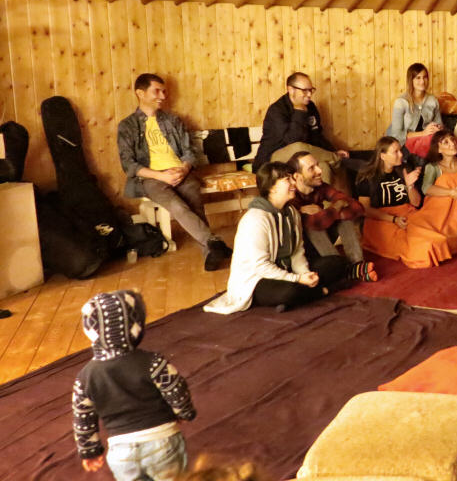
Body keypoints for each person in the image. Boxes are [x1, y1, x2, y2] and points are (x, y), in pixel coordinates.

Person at [204, 162, 374, 315]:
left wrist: (305, 274)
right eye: (287, 180)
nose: (294, 183)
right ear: (272, 188)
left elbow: (297, 251)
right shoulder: (255, 220)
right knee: (289, 291)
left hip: (288, 271)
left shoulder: (292, 212)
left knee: (337, 262)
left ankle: (303, 295)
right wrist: (297, 279)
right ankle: (323, 291)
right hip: (258, 280)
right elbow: (261, 266)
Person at [72, 289, 196, 481]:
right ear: (136, 327)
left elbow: (82, 417)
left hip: (121, 453)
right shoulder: (153, 362)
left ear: (90, 330)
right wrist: (184, 412)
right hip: (162, 441)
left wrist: (89, 451)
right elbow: (176, 388)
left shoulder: (84, 377)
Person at [117, 73, 232, 271]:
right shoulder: (127, 126)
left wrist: (184, 169)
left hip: (181, 172)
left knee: (194, 200)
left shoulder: (173, 120)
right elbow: (129, 165)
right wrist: (161, 175)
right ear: (140, 93)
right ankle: (212, 243)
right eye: (157, 91)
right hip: (152, 177)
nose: (162, 96)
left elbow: (190, 152)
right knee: (177, 205)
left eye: (164, 91)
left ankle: (211, 251)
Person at [356, 135, 453, 269]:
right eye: (395, 152)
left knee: (436, 236)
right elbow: (365, 210)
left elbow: (416, 203)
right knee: (416, 245)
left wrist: (410, 186)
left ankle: (432, 245)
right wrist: (393, 219)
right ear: (383, 156)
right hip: (380, 219)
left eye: (400, 150)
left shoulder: (404, 170)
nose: (401, 154)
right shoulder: (367, 177)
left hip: (407, 213)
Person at [252, 72, 349, 183]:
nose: (309, 94)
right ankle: (339, 160)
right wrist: (299, 111)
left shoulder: (311, 106)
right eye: (304, 90)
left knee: (323, 167)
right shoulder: (277, 110)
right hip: (272, 159)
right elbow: (292, 141)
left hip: (301, 157)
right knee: (298, 147)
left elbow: (316, 136)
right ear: (291, 90)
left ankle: (326, 194)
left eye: (311, 90)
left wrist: (333, 150)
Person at [285, 151, 366, 268]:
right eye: (311, 168)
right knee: (312, 224)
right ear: (297, 176)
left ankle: (357, 265)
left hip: (322, 242)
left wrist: (327, 211)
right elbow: (312, 222)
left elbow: (357, 207)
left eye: (317, 165)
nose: (319, 170)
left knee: (343, 217)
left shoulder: (320, 186)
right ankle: (337, 267)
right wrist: (334, 209)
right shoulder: (290, 194)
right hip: (302, 254)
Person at [386, 62, 444, 142]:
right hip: (403, 143)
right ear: (411, 80)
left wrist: (438, 128)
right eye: (418, 78)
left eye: (425, 77)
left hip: (426, 140)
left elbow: (440, 125)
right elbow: (396, 135)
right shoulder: (401, 102)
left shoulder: (433, 100)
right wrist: (423, 133)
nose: (422, 81)